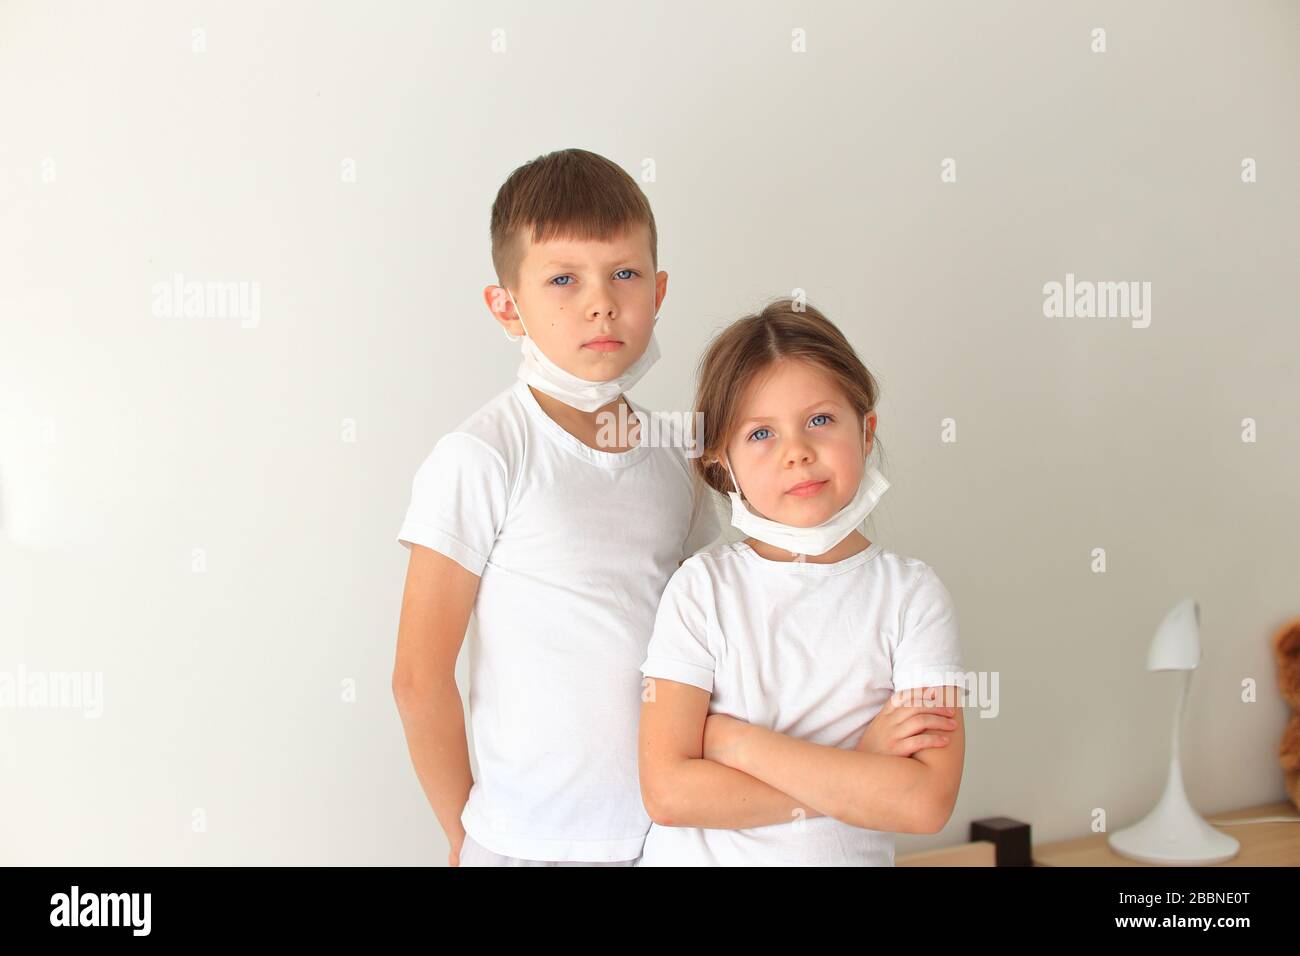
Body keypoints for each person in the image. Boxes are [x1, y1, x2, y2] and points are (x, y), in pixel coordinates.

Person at [392, 148, 719, 866]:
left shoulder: (677, 461)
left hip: (666, 836)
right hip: (525, 843)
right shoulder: (484, 456)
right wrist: (465, 831)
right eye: (563, 279)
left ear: (659, 290)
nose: (601, 301)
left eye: (624, 274)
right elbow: (418, 678)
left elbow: (713, 644)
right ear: (506, 306)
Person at [636, 298, 966, 866]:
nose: (797, 452)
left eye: (819, 420)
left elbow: (922, 804)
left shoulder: (914, 598)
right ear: (722, 462)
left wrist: (735, 743)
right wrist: (862, 767)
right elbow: (668, 794)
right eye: (761, 433)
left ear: (866, 432)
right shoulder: (701, 590)